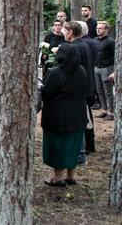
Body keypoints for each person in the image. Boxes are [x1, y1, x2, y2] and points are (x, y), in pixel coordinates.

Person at [41, 44, 88, 187]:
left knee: (58, 146)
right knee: (74, 145)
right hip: (78, 114)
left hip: (58, 116)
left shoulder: (55, 72)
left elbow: (47, 93)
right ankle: (71, 176)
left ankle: (58, 178)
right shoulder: (81, 70)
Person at [65, 21, 96, 160]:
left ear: (71, 32)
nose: (63, 33)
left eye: (65, 31)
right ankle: (88, 146)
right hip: (85, 88)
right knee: (85, 118)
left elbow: (73, 70)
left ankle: (81, 151)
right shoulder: (83, 45)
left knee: (81, 120)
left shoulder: (76, 47)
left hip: (78, 90)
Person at [94, 21, 115, 121]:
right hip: (96, 68)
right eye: (97, 28)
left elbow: (115, 57)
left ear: (106, 29)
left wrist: (114, 71)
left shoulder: (111, 42)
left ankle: (111, 112)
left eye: (100, 28)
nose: (98, 30)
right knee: (99, 91)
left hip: (107, 68)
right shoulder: (94, 40)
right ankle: (104, 110)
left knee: (108, 92)